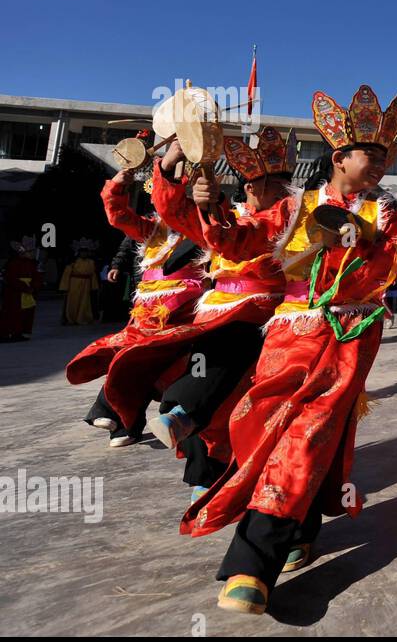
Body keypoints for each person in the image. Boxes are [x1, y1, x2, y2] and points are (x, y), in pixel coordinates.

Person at [180, 84, 397, 615]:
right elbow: (238, 242)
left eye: (386, 156)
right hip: (287, 337)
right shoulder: (293, 207)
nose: (381, 164)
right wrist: (210, 208)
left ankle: (250, 566)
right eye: (371, 155)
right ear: (340, 157)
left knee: (307, 434)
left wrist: (370, 240)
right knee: (264, 429)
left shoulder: (385, 215)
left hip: (348, 337)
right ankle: (301, 526)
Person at [143, 128, 296, 502]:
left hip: (265, 315)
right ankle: (204, 473)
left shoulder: (291, 216)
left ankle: (191, 421)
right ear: (249, 188)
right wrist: (172, 162)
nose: (282, 189)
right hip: (214, 313)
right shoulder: (231, 213)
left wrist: (213, 208)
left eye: (285, 182)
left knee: (248, 396)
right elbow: (178, 214)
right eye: (271, 183)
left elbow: (247, 236)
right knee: (200, 367)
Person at [66, 151, 208, 448]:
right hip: (146, 309)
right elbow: (118, 216)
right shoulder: (152, 228)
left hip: (183, 309)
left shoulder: (203, 224)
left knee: (148, 360)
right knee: (135, 357)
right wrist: (118, 184)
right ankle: (123, 423)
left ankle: (118, 413)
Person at [0, 237, 39, 342]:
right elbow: (11, 278)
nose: (32, 254)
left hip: (27, 292)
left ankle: (19, 332)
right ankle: (8, 333)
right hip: (15, 293)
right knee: (12, 313)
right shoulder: (13, 263)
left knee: (25, 313)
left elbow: (35, 277)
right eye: (30, 252)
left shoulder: (32, 264)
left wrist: (33, 287)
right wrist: (24, 287)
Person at [60, 239, 99, 325]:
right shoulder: (73, 262)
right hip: (74, 283)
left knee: (84, 302)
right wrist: (64, 287)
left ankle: (82, 318)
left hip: (86, 284)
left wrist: (94, 286)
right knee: (73, 301)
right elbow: (66, 275)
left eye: (85, 252)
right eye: (82, 252)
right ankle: (71, 318)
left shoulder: (91, 262)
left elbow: (93, 274)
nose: (84, 254)